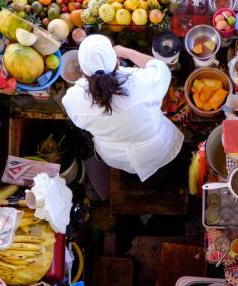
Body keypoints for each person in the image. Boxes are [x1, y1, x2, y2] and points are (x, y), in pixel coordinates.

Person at [62, 34, 184, 182]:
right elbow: (161, 67)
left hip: (115, 155)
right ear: (117, 62)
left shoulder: (72, 100)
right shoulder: (142, 81)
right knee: (165, 173)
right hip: (155, 148)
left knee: (130, 174)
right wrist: (125, 51)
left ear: (81, 71)